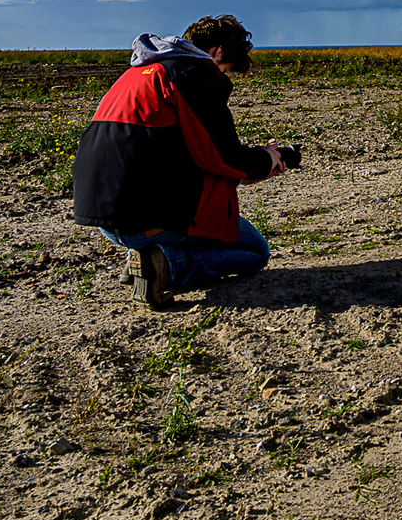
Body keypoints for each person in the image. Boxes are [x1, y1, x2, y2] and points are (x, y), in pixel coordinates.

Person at [72, 15, 287, 308]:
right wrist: (267, 158)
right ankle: (163, 263)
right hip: (144, 219)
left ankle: (147, 256)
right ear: (219, 52)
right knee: (255, 251)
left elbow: (183, 152)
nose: (223, 77)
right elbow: (223, 155)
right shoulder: (191, 74)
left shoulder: (140, 73)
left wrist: (249, 170)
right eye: (225, 70)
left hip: (102, 217)